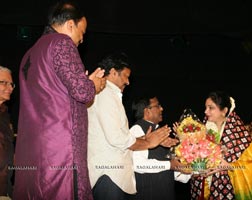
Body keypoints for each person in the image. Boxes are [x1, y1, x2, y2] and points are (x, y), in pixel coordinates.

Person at [13, 1, 105, 200]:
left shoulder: (29, 54)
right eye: (83, 31)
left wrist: (85, 82)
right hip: (60, 150)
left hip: (33, 152)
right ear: (70, 24)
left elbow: (55, 93)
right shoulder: (62, 43)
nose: (82, 39)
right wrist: (93, 84)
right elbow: (82, 92)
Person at [87, 52, 171, 200]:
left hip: (111, 175)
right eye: (125, 76)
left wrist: (146, 138)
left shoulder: (110, 96)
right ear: (113, 72)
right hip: (109, 174)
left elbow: (115, 136)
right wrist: (148, 142)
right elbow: (117, 138)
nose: (128, 82)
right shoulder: (106, 94)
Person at [190, 91, 252, 200]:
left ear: (225, 110)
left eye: (211, 108)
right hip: (201, 188)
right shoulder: (202, 131)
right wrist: (196, 170)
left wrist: (229, 166)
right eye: (205, 107)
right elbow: (192, 160)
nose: (205, 111)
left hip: (228, 190)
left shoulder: (240, 136)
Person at [130, 95, 187, 200]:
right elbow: (138, 165)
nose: (162, 109)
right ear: (147, 111)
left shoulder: (160, 132)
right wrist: (169, 165)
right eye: (158, 106)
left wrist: (186, 168)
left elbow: (171, 171)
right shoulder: (137, 130)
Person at [0, 66, 15, 200]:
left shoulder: (5, 115)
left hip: (6, 189)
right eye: (4, 82)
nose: (10, 88)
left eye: (11, 84)